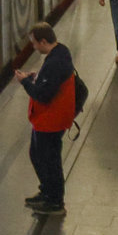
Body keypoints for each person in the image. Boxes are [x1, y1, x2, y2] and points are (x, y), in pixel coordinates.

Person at [13, 22, 75, 216]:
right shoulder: (60, 52)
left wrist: (25, 82)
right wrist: (36, 78)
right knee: (38, 155)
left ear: (43, 41)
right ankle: (47, 192)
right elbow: (50, 83)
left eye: (34, 43)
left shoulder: (55, 62)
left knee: (48, 160)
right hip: (46, 119)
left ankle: (54, 201)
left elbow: (44, 95)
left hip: (51, 120)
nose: (33, 47)